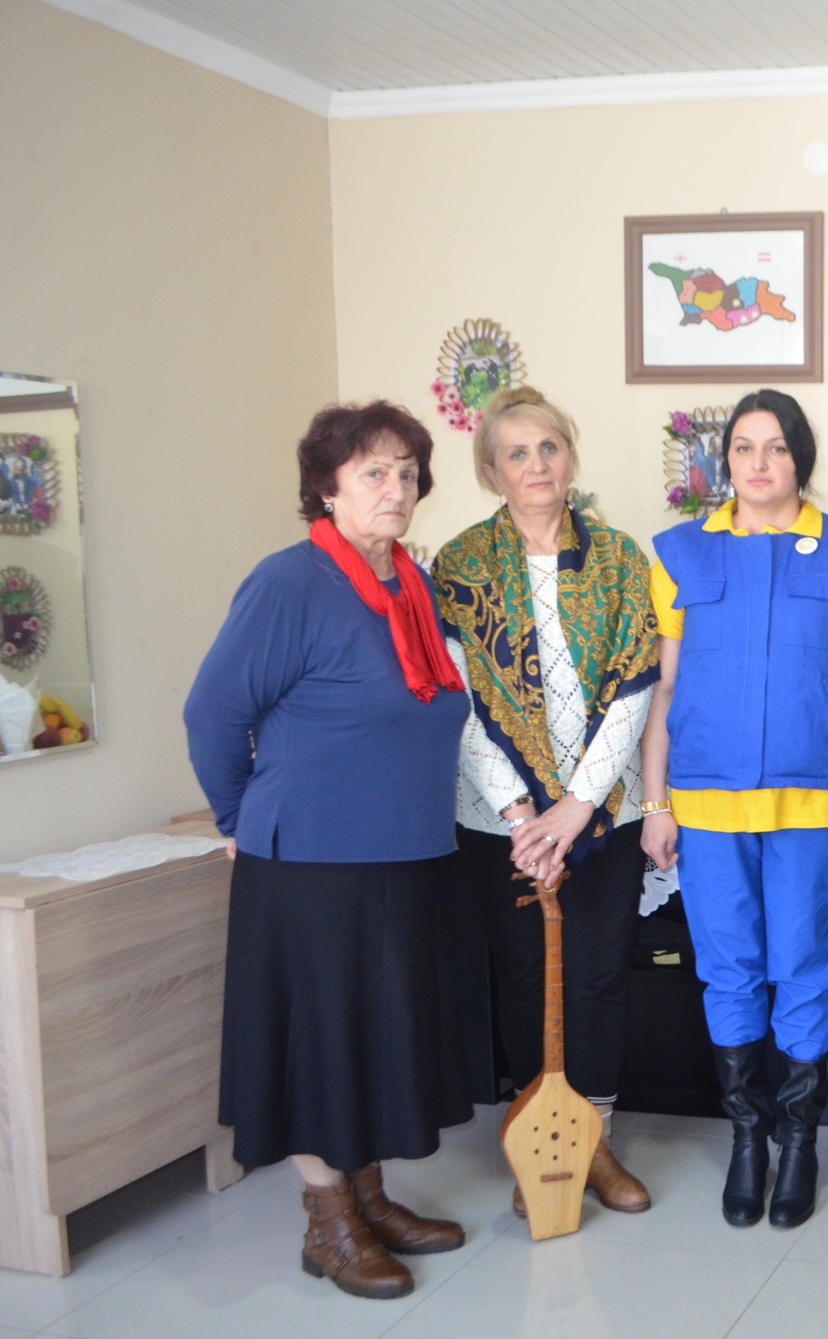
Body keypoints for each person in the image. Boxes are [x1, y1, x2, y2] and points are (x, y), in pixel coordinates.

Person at [185, 402, 471, 1301]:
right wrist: (240, 820)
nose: (397, 489)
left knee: (376, 1033)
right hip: (310, 857)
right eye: (374, 472)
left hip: (406, 849)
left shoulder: (410, 584)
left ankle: (368, 1196)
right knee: (320, 1039)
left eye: (408, 473)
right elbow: (212, 714)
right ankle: (327, 1218)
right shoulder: (289, 582)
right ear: (326, 487)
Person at [641, 390, 828, 1230]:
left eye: (776, 447)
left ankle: (800, 1141)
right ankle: (749, 1139)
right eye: (743, 447)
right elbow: (665, 687)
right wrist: (655, 803)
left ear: (799, 457)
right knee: (729, 970)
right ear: (724, 461)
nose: (758, 462)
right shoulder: (680, 553)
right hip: (705, 805)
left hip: (812, 806)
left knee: (803, 966)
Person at [433, 386, 658, 1221]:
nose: (536, 465)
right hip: (500, 823)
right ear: (492, 472)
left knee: (597, 977)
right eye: (517, 453)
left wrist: (575, 808)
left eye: (549, 448)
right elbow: (459, 704)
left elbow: (636, 690)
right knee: (526, 976)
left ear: (570, 457)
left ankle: (592, 1143)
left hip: (603, 815)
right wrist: (524, 817)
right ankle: (541, 1146)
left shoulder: (619, 559)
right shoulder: (459, 566)